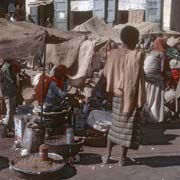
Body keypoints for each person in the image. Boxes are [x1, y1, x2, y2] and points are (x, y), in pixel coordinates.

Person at [102, 26, 146, 166]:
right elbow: (139, 78)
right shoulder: (136, 55)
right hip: (131, 96)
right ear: (132, 39)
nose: (138, 40)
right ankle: (122, 158)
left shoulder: (112, 53)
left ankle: (107, 155)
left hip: (116, 95)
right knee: (127, 128)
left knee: (114, 125)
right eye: (137, 38)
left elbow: (105, 74)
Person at [143, 37, 168, 123]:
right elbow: (162, 68)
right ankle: (156, 116)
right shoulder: (162, 53)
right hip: (155, 77)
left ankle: (147, 113)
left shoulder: (150, 52)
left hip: (145, 77)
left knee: (148, 95)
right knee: (159, 89)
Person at [0, 58, 17, 133]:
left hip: (9, 91)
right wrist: (14, 83)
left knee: (11, 110)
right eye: (13, 61)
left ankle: (9, 127)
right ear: (10, 61)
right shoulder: (7, 67)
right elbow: (10, 79)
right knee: (10, 110)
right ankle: (4, 130)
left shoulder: (6, 67)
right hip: (8, 92)